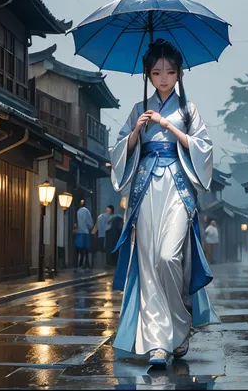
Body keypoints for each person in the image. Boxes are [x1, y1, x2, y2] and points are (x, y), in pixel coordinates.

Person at [109, 39, 218, 367]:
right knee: (149, 264)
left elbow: (204, 147)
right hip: (145, 191)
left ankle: (180, 325)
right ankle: (158, 342)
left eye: (170, 71)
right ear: (148, 75)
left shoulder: (188, 109)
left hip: (178, 188)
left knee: (170, 257)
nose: (164, 78)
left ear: (179, 73)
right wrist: (135, 133)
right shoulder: (138, 110)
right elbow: (118, 151)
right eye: (156, 72)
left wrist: (169, 125)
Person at [75, 199, 93, 270]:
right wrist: (90, 227)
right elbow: (89, 222)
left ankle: (79, 264)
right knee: (86, 249)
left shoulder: (78, 211)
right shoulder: (86, 211)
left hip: (79, 231)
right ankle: (86, 264)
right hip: (85, 232)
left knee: (79, 248)